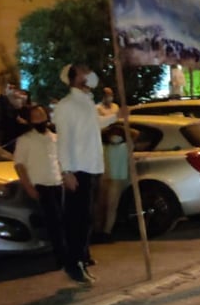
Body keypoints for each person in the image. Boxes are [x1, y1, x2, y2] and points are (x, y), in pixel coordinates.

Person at [54, 64, 120, 285]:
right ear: (75, 78)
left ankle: (82, 257)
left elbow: (94, 125)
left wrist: (116, 116)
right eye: (84, 71)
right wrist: (66, 170)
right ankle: (73, 263)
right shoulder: (66, 105)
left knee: (86, 218)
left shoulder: (87, 103)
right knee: (76, 219)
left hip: (92, 166)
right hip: (78, 168)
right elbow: (63, 140)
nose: (90, 73)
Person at [14, 106, 66, 270]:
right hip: (41, 185)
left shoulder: (55, 138)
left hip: (58, 183)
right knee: (54, 222)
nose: (40, 119)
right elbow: (19, 165)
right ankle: (61, 257)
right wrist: (28, 186)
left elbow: (60, 160)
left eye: (41, 115)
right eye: (35, 116)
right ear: (30, 120)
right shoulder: (25, 140)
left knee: (63, 220)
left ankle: (66, 253)